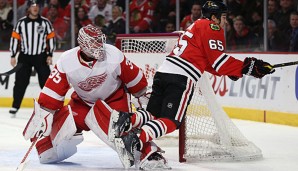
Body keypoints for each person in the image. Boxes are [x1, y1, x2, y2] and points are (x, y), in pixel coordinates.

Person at [108, 0, 276, 169]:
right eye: (223, 17)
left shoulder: (196, 25)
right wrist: (249, 67)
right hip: (181, 78)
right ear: (214, 17)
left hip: (163, 73)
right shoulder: (212, 27)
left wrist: (238, 71)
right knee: (172, 121)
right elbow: (219, 62)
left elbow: (210, 64)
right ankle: (135, 140)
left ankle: (126, 120)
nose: (225, 22)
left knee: (153, 114)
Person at [21, 24, 168, 169]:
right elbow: (51, 93)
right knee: (48, 148)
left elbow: (136, 81)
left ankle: (150, 153)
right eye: (94, 42)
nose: (99, 45)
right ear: (83, 45)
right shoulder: (67, 61)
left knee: (122, 132)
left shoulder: (113, 55)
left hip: (114, 102)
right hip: (82, 104)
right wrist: (44, 114)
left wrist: (141, 95)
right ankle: (44, 145)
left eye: (100, 40)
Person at [9, 0, 56, 116]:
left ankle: (49, 106)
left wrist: (50, 54)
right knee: (20, 82)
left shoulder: (45, 23)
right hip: (24, 56)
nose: (35, 8)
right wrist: (13, 55)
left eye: (37, 6)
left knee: (46, 83)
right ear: (28, 8)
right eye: (32, 6)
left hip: (41, 56)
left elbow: (51, 39)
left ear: (39, 8)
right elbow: (15, 39)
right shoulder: (21, 23)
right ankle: (15, 106)